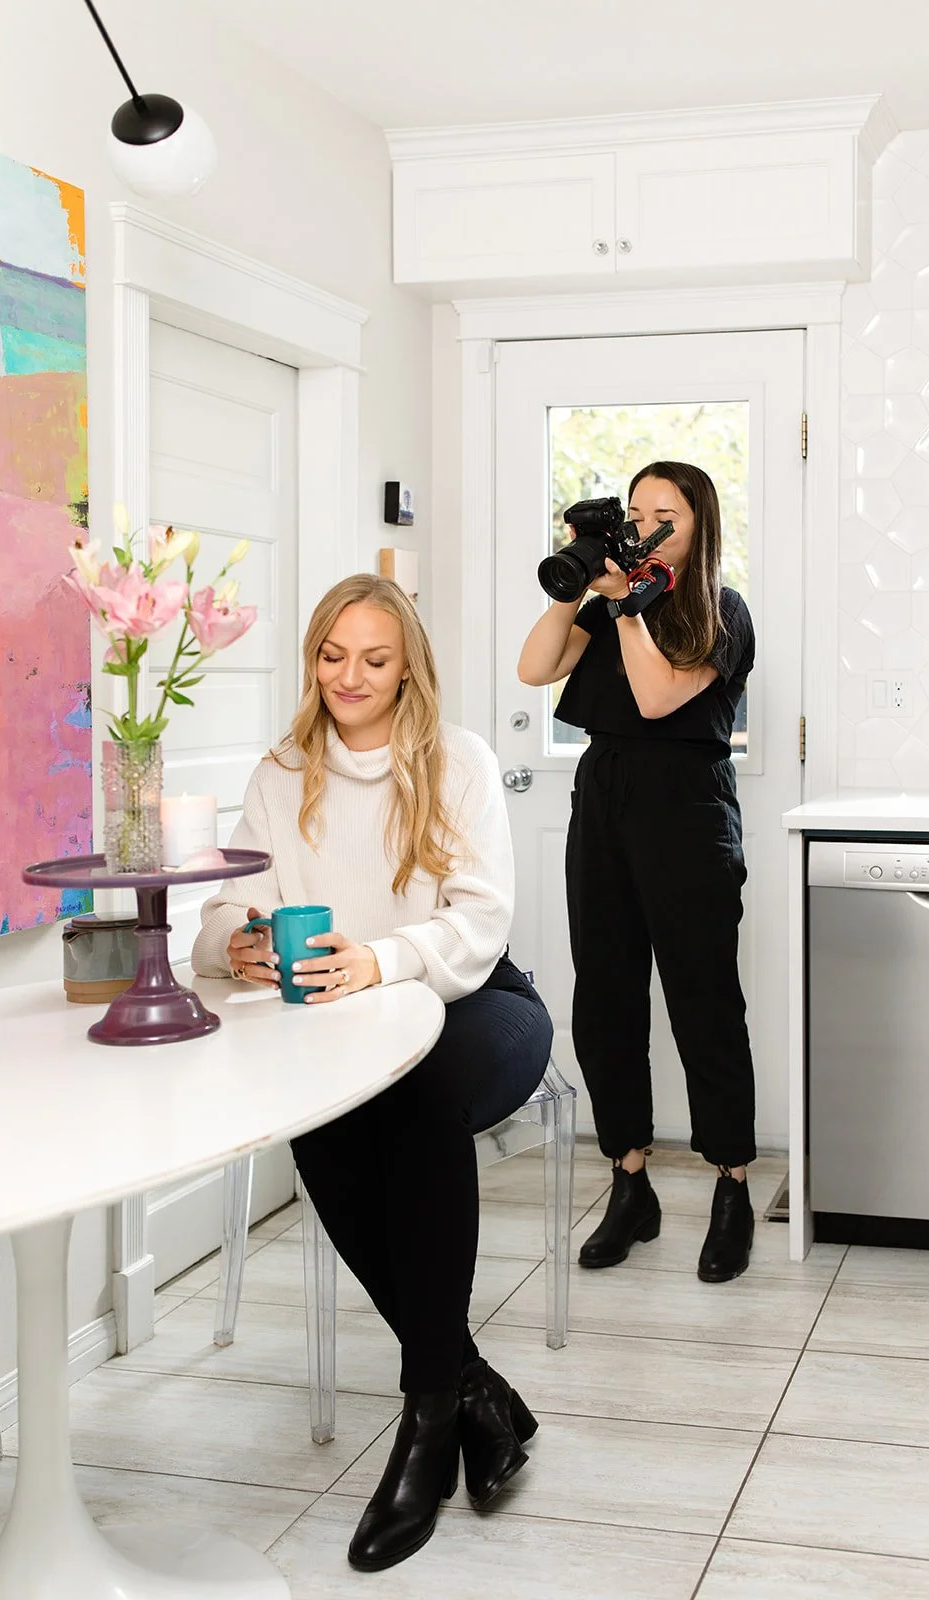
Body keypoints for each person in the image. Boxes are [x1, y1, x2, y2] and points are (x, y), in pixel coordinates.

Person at [193, 574, 553, 1572]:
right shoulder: (281, 773)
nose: (349, 676)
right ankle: (466, 1390)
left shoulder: (457, 760)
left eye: (374, 658)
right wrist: (239, 946)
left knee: (417, 1096)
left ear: (407, 670)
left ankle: (423, 1420)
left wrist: (379, 959)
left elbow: (479, 922)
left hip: (472, 998)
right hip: (346, 1020)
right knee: (327, 1113)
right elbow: (221, 913)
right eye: (332, 654)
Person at [518, 461, 756, 1284]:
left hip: (687, 809)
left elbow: (657, 700)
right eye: (636, 510)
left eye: (667, 513)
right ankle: (630, 1184)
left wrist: (626, 605)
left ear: (698, 526)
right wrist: (574, 581)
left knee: (704, 1003)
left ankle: (731, 1186)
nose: (648, 524)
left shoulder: (721, 610)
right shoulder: (607, 599)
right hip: (604, 800)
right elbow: (533, 668)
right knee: (605, 999)